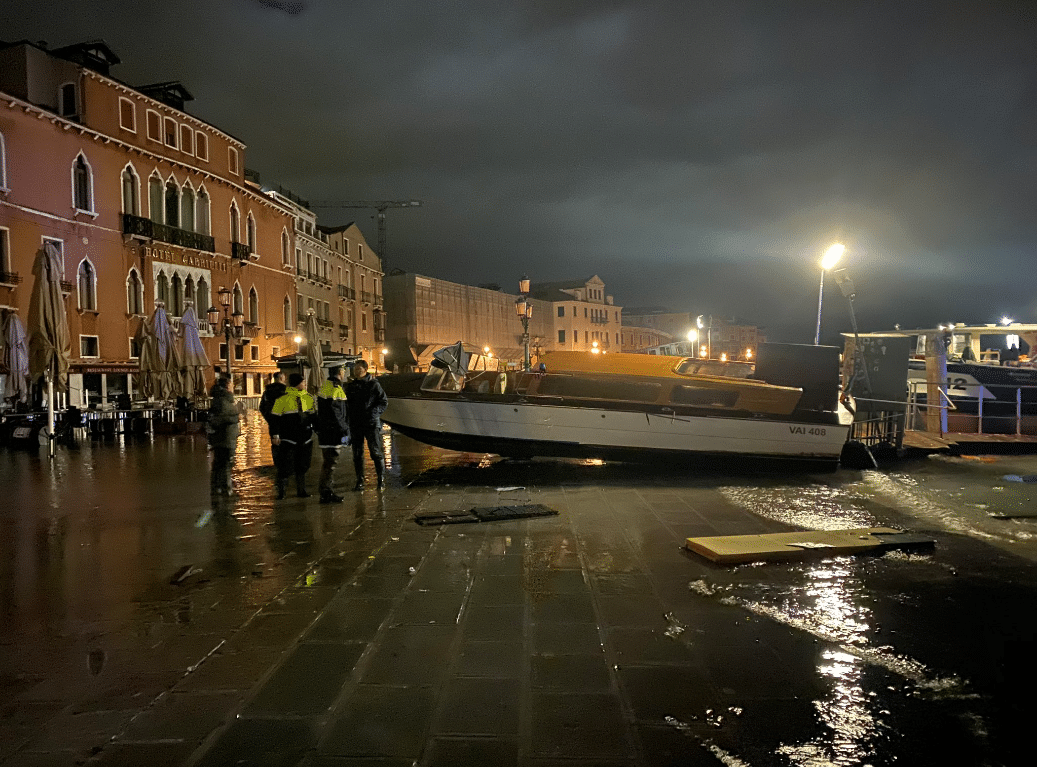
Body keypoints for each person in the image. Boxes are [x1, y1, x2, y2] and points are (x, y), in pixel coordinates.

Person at [270, 372, 316, 499]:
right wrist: (275, 435)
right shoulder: (282, 399)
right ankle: (281, 492)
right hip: (288, 439)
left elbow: (313, 417)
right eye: (303, 382)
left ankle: (301, 491)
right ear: (298, 383)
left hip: (305, 438)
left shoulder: (308, 398)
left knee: (302, 465)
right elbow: (274, 419)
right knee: (285, 466)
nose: (305, 384)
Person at [346, 359, 388, 491]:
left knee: (375, 452)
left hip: (371, 423)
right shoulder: (351, 386)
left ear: (365, 370)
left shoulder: (374, 385)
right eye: (355, 369)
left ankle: (381, 479)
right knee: (357, 454)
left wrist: (373, 414)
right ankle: (360, 481)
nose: (357, 372)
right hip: (355, 424)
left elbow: (383, 402)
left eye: (359, 369)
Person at [315, 366, 349, 503]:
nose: (344, 373)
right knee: (330, 462)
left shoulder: (325, 387)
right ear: (340, 372)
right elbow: (337, 413)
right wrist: (345, 429)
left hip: (325, 431)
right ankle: (326, 493)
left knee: (328, 463)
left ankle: (326, 491)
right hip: (333, 432)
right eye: (343, 370)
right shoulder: (335, 388)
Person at [207, 376, 240, 496]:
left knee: (220, 463)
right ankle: (226, 489)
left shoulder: (221, 399)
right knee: (225, 463)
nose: (233, 386)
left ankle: (218, 487)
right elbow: (219, 418)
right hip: (225, 437)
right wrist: (235, 418)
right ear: (227, 385)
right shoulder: (223, 400)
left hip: (224, 437)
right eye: (231, 384)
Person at [259, 372, 287, 464]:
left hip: (272, 423)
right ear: (282, 378)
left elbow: (262, 408)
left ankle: (277, 463)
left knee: (275, 444)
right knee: (286, 443)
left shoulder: (267, 392)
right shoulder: (286, 391)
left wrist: (269, 418)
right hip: (285, 422)